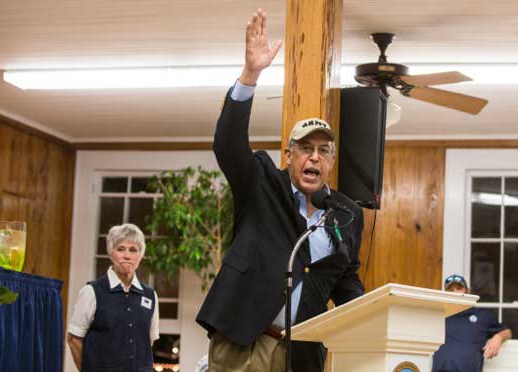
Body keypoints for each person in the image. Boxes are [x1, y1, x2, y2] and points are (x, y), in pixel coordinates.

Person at [195, 8, 365, 372]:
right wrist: (250, 75)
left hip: (302, 354)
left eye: (323, 151)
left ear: (331, 161)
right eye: (305, 148)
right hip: (244, 342)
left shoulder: (348, 214)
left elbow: (346, 279)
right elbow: (227, 144)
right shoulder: (261, 183)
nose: (313, 158)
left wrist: (372, 316)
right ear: (289, 155)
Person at [67, 223, 159, 372]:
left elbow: (148, 341)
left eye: (133, 250)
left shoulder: (150, 295)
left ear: (140, 256)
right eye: (120, 249)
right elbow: (73, 340)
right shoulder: (91, 292)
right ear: (111, 253)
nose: (127, 256)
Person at [432, 274, 512, 372]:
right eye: (450, 290)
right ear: (445, 293)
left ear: (468, 291)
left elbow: (507, 332)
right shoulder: (437, 316)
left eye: (458, 288)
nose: (455, 292)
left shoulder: (482, 316)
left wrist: (498, 338)